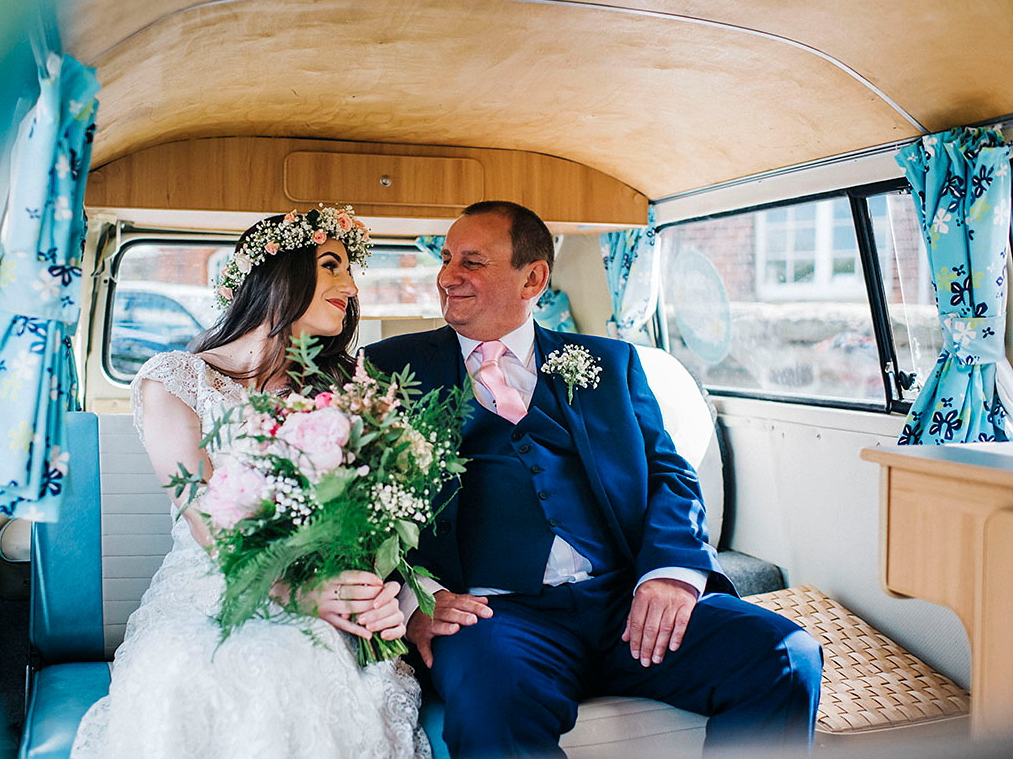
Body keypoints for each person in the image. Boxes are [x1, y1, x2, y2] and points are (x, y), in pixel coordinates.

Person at [365, 201, 823, 758]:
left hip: (623, 601)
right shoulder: (385, 368)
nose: (447, 275)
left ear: (533, 278)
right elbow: (362, 506)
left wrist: (671, 574)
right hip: (492, 616)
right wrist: (420, 602)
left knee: (785, 653)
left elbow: (670, 477)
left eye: (473, 261)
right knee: (492, 703)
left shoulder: (610, 362)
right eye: (447, 258)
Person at [71, 207, 430, 759]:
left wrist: (387, 596)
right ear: (278, 274)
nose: (352, 287)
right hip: (211, 588)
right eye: (332, 265)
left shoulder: (352, 390)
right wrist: (300, 594)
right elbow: (203, 514)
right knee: (189, 668)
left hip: (328, 591)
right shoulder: (176, 380)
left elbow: (373, 520)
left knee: (302, 664)